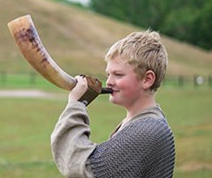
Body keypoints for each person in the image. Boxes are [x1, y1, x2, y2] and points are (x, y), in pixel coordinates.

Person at [51, 30, 175, 178]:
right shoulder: (142, 122)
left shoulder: (147, 130)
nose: (109, 81)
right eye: (108, 74)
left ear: (147, 79)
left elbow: (83, 168)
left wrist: (76, 104)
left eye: (118, 75)